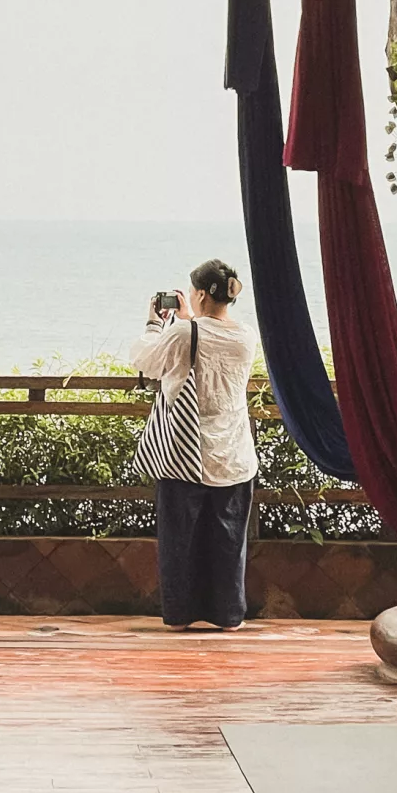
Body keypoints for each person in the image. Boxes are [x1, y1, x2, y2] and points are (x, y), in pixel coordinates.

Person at [130, 259, 258, 631]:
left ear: (199, 293)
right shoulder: (246, 335)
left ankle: (180, 616)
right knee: (229, 538)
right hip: (233, 450)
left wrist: (157, 323)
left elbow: (145, 361)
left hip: (185, 450)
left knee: (179, 540)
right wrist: (189, 320)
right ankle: (229, 615)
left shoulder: (185, 334)